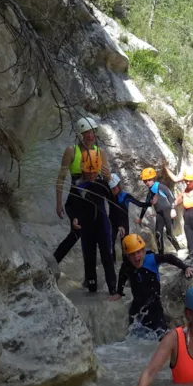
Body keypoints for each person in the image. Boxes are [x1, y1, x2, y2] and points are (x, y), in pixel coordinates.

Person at [109, 234, 193, 336]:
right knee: (134, 335)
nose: (136, 257)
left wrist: (185, 267)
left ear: (144, 251)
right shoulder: (126, 265)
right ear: (127, 256)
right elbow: (122, 276)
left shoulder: (152, 259)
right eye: (132, 254)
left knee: (161, 334)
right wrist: (119, 292)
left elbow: (170, 258)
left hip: (154, 305)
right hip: (137, 306)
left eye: (138, 252)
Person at [54, 116, 111, 265]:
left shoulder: (101, 153)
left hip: (96, 201)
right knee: (76, 233)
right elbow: (61, 178)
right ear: (80, 134)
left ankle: (89, 277)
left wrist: (108, 176)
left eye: (92, 132)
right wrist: (59, 203)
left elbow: (106, 181)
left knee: (93, 237)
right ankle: (54, 262)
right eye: (86, 132)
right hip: (77, 200)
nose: (90, 136)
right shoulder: (71, 151)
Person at [66, 153, 117, 294]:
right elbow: (70, 205)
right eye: (89, 171)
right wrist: (74, 218)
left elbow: (114, 200)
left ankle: (113, 290)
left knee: (107, 257)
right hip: (86, 229)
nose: (92, 174)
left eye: (95, 171)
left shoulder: (102, 183)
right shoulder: (77, 185)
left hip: (102, 226)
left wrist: (109, 179)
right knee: (89, 260)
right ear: (83, 169)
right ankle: (92, 289)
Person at [138, 167, 181, 254]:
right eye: (145, 181)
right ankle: (161, 256)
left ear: (153, 178)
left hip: (167, 211)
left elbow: (170, 196)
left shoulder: (161, 187)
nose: (147, 183)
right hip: (159, 214)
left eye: (149, 180)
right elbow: (145, 205)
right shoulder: (150, 193)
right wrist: (140, 218)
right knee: (158, 234)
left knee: (169, 234)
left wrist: (173, 209)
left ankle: (179, 250)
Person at [108, 173, 144, 261]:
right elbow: (113, 212)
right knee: (111, 242)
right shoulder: (110, 196)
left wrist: (149, 203)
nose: (114, 190)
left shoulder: (124, 196)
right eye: (112, 189)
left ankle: (126, 262)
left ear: (118, 186)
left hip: (124, 223)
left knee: (124, 243)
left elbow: (138, 203)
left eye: (115, 188)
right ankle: (113, 262)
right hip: (113, 222)